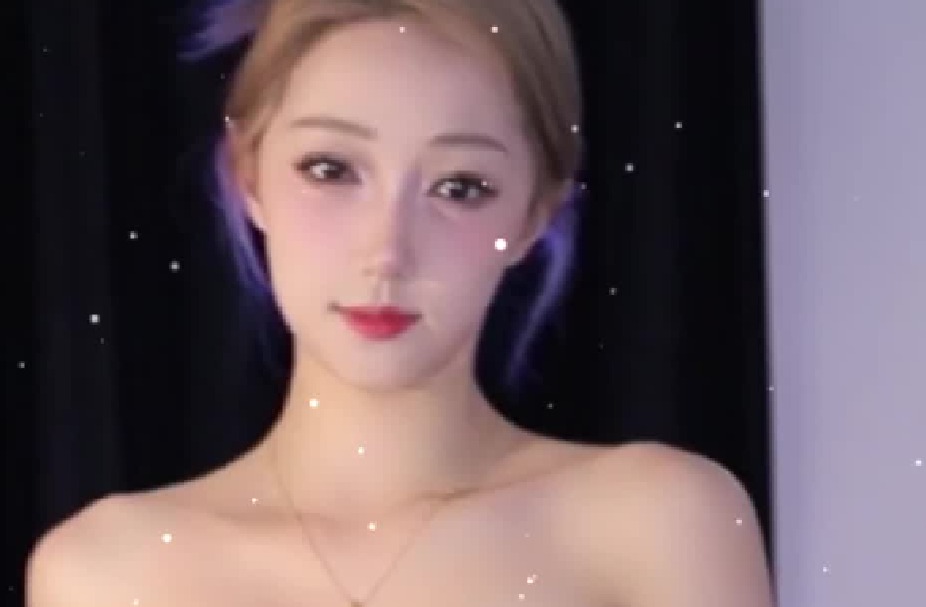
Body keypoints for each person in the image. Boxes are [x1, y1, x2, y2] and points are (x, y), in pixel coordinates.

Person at [25, 0, 775, 605]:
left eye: (459, 187)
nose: (387, 250)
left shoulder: (660, 523)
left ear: (533, 215)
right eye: (331, 169)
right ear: (248, 176)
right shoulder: (107, 572)